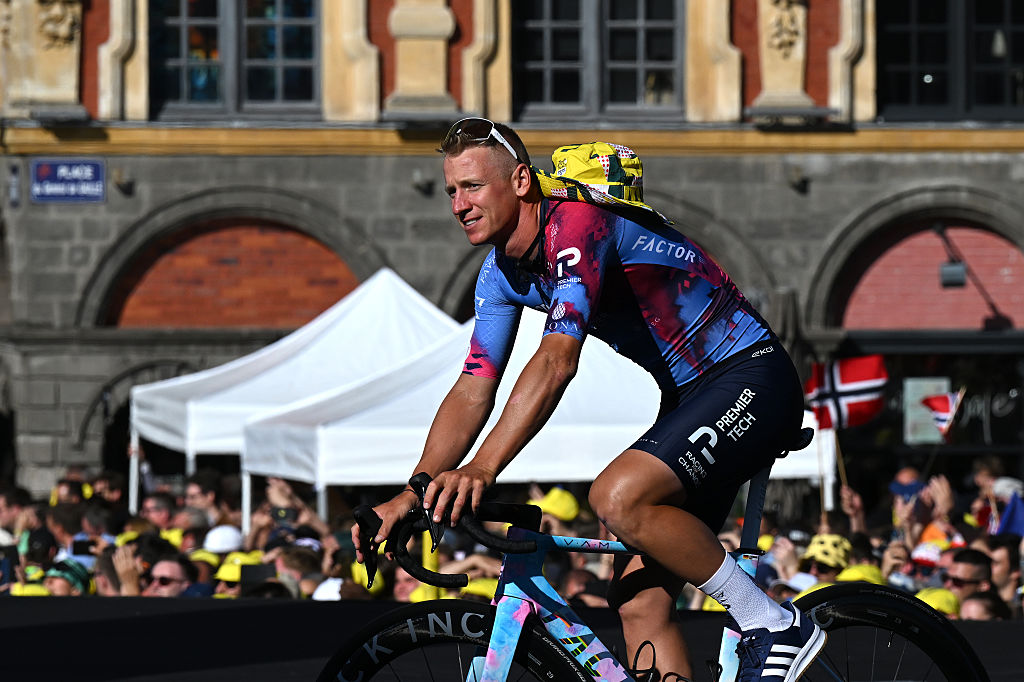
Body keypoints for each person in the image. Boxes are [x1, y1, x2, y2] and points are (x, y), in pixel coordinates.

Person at [352, 119, 822, 682]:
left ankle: (773, 623)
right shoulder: (499, 275)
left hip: (751, 377)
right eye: (452, 190)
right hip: (690, 396)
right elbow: (474, 386)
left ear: (522, 181)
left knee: (617, 498)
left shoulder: (577, 224)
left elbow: (557, 362)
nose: (458, 204)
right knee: (639, 603)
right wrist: (414, 491)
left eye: (473, 186)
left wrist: (481, 468)